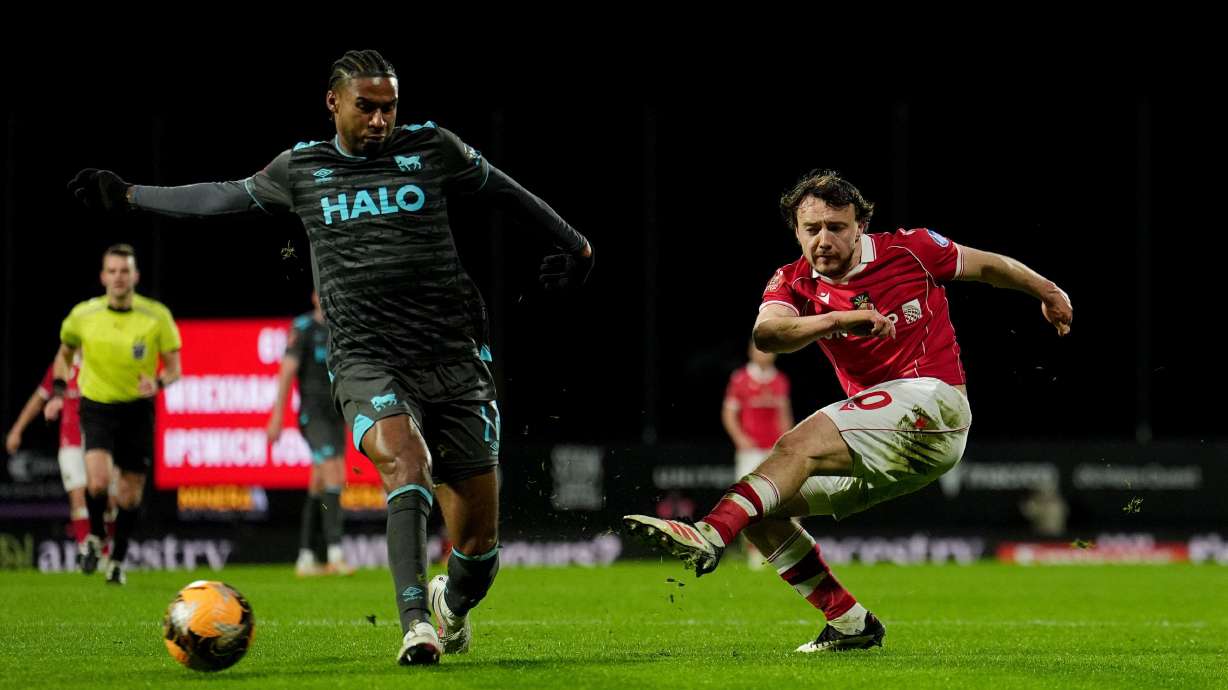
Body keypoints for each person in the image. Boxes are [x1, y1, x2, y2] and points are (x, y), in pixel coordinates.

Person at [68, 49, 593, 665]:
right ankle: (415, 624)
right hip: (367, 356)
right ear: (333, 103)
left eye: (389, 107)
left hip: (453, 355)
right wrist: (130, 195)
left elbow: (510, 192)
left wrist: (578, 249)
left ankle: (451, 601)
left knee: (478, 550)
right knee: (405, 463)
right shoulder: (302, 169)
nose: (379, 120)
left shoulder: (434, 149)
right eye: (366, 107)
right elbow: (220, 198)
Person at [625, 170, 1071, 652]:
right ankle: (850, 622)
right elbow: (768, 335)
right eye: (811, 228)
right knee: (762, 510)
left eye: (836, 226)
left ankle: (710, 533)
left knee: (796, 444)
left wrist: (1047, 290)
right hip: (884, 442)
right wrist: (839, 320)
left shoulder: (911, 249)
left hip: (934, 402)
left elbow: (986, 266)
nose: (823, 239)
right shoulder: (791, 281)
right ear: (795, 230)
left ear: (860, 225)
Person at [56, 243, 182, 585]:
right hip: (96, 406)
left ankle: (117, 561)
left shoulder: (157, 316)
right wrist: (57, 388)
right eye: (112, 271)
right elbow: (64, 354)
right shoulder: (83, 315)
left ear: (135, 276)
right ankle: (96, 535)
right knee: (96, 481)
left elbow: (174, 369)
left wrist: (157, 383)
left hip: (137, 409)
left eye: (124, 271)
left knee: (129, 494)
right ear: (102, 276)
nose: (118, 277)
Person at [267, 291, 355, 577]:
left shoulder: (344, 327)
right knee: (334, 475)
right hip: (313, 412)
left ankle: (305, 556)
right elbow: (287, 371)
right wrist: (278, 414)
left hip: (336, 412)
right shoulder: (303, 328)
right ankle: (335, 553)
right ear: (315, 297)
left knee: (319, 482)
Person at [5, 352, 102, 569]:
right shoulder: (61, 367)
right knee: (77, 496)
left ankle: (106, 551)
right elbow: (38, 399)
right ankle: (86, 553)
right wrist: (16, 430)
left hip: (99, 440)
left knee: (105, 496)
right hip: (71, 442)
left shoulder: (101, 362)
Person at [721, 341, 792, 566]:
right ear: (751, 352)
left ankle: (785, 553)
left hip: (773, 449)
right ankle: (753, 553)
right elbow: (729, 414)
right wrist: (740, 438)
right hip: (750, 451)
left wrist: (789, 443)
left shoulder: (780, 380)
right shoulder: (740, 379)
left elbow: (784, 415)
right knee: (748, 503)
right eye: (761, 350)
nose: (765, 355)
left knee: (782, 501)